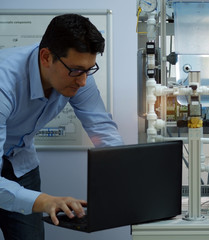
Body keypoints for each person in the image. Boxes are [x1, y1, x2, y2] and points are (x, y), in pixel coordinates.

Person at [0, 14, 124, 240]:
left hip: (20, 163)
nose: (83, 81)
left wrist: (122, 173)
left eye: (89, 69)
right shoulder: (4, 85)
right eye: (77, 70)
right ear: (46, 57)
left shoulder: (79, 74)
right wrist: (46, 201)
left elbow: (101, 128)